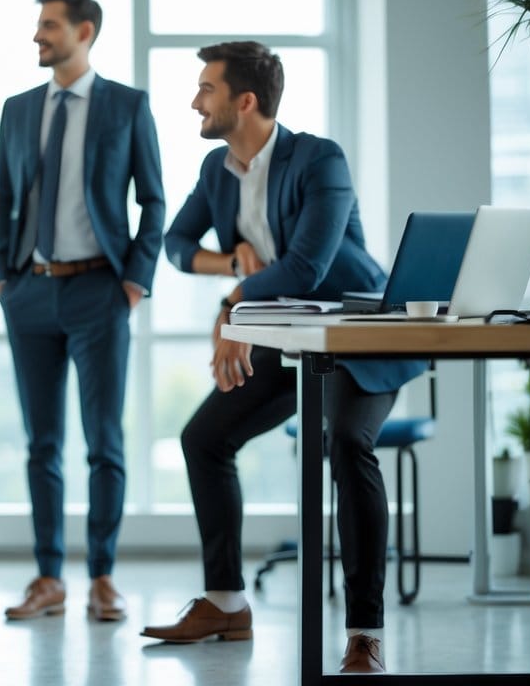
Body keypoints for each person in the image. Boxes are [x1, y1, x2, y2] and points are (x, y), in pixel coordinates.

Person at [140, 42, 425, 674]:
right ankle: (225, 602)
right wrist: (233, 262)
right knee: (203, 439)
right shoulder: (219, 169)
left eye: (205, 89)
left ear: (245, 101)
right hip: (287, 334)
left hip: (356, 336)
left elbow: (308, 265)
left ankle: (364, 633)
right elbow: (177, 244)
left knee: (347, 442)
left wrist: (233, 305)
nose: (194, 100)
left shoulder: (319, 158)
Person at [0, 0, 165, 622]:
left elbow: (154, 200)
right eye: (39, 25)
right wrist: (3, 278)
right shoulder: (17, 109)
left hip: (99, 291)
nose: (39, 36)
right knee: (42, 445)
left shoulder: (126, 106)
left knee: (104, 443)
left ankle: (103, 577)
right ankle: (46, 577)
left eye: (50, 26)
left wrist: (135, 279)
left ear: (84, 32)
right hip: (29, 291)